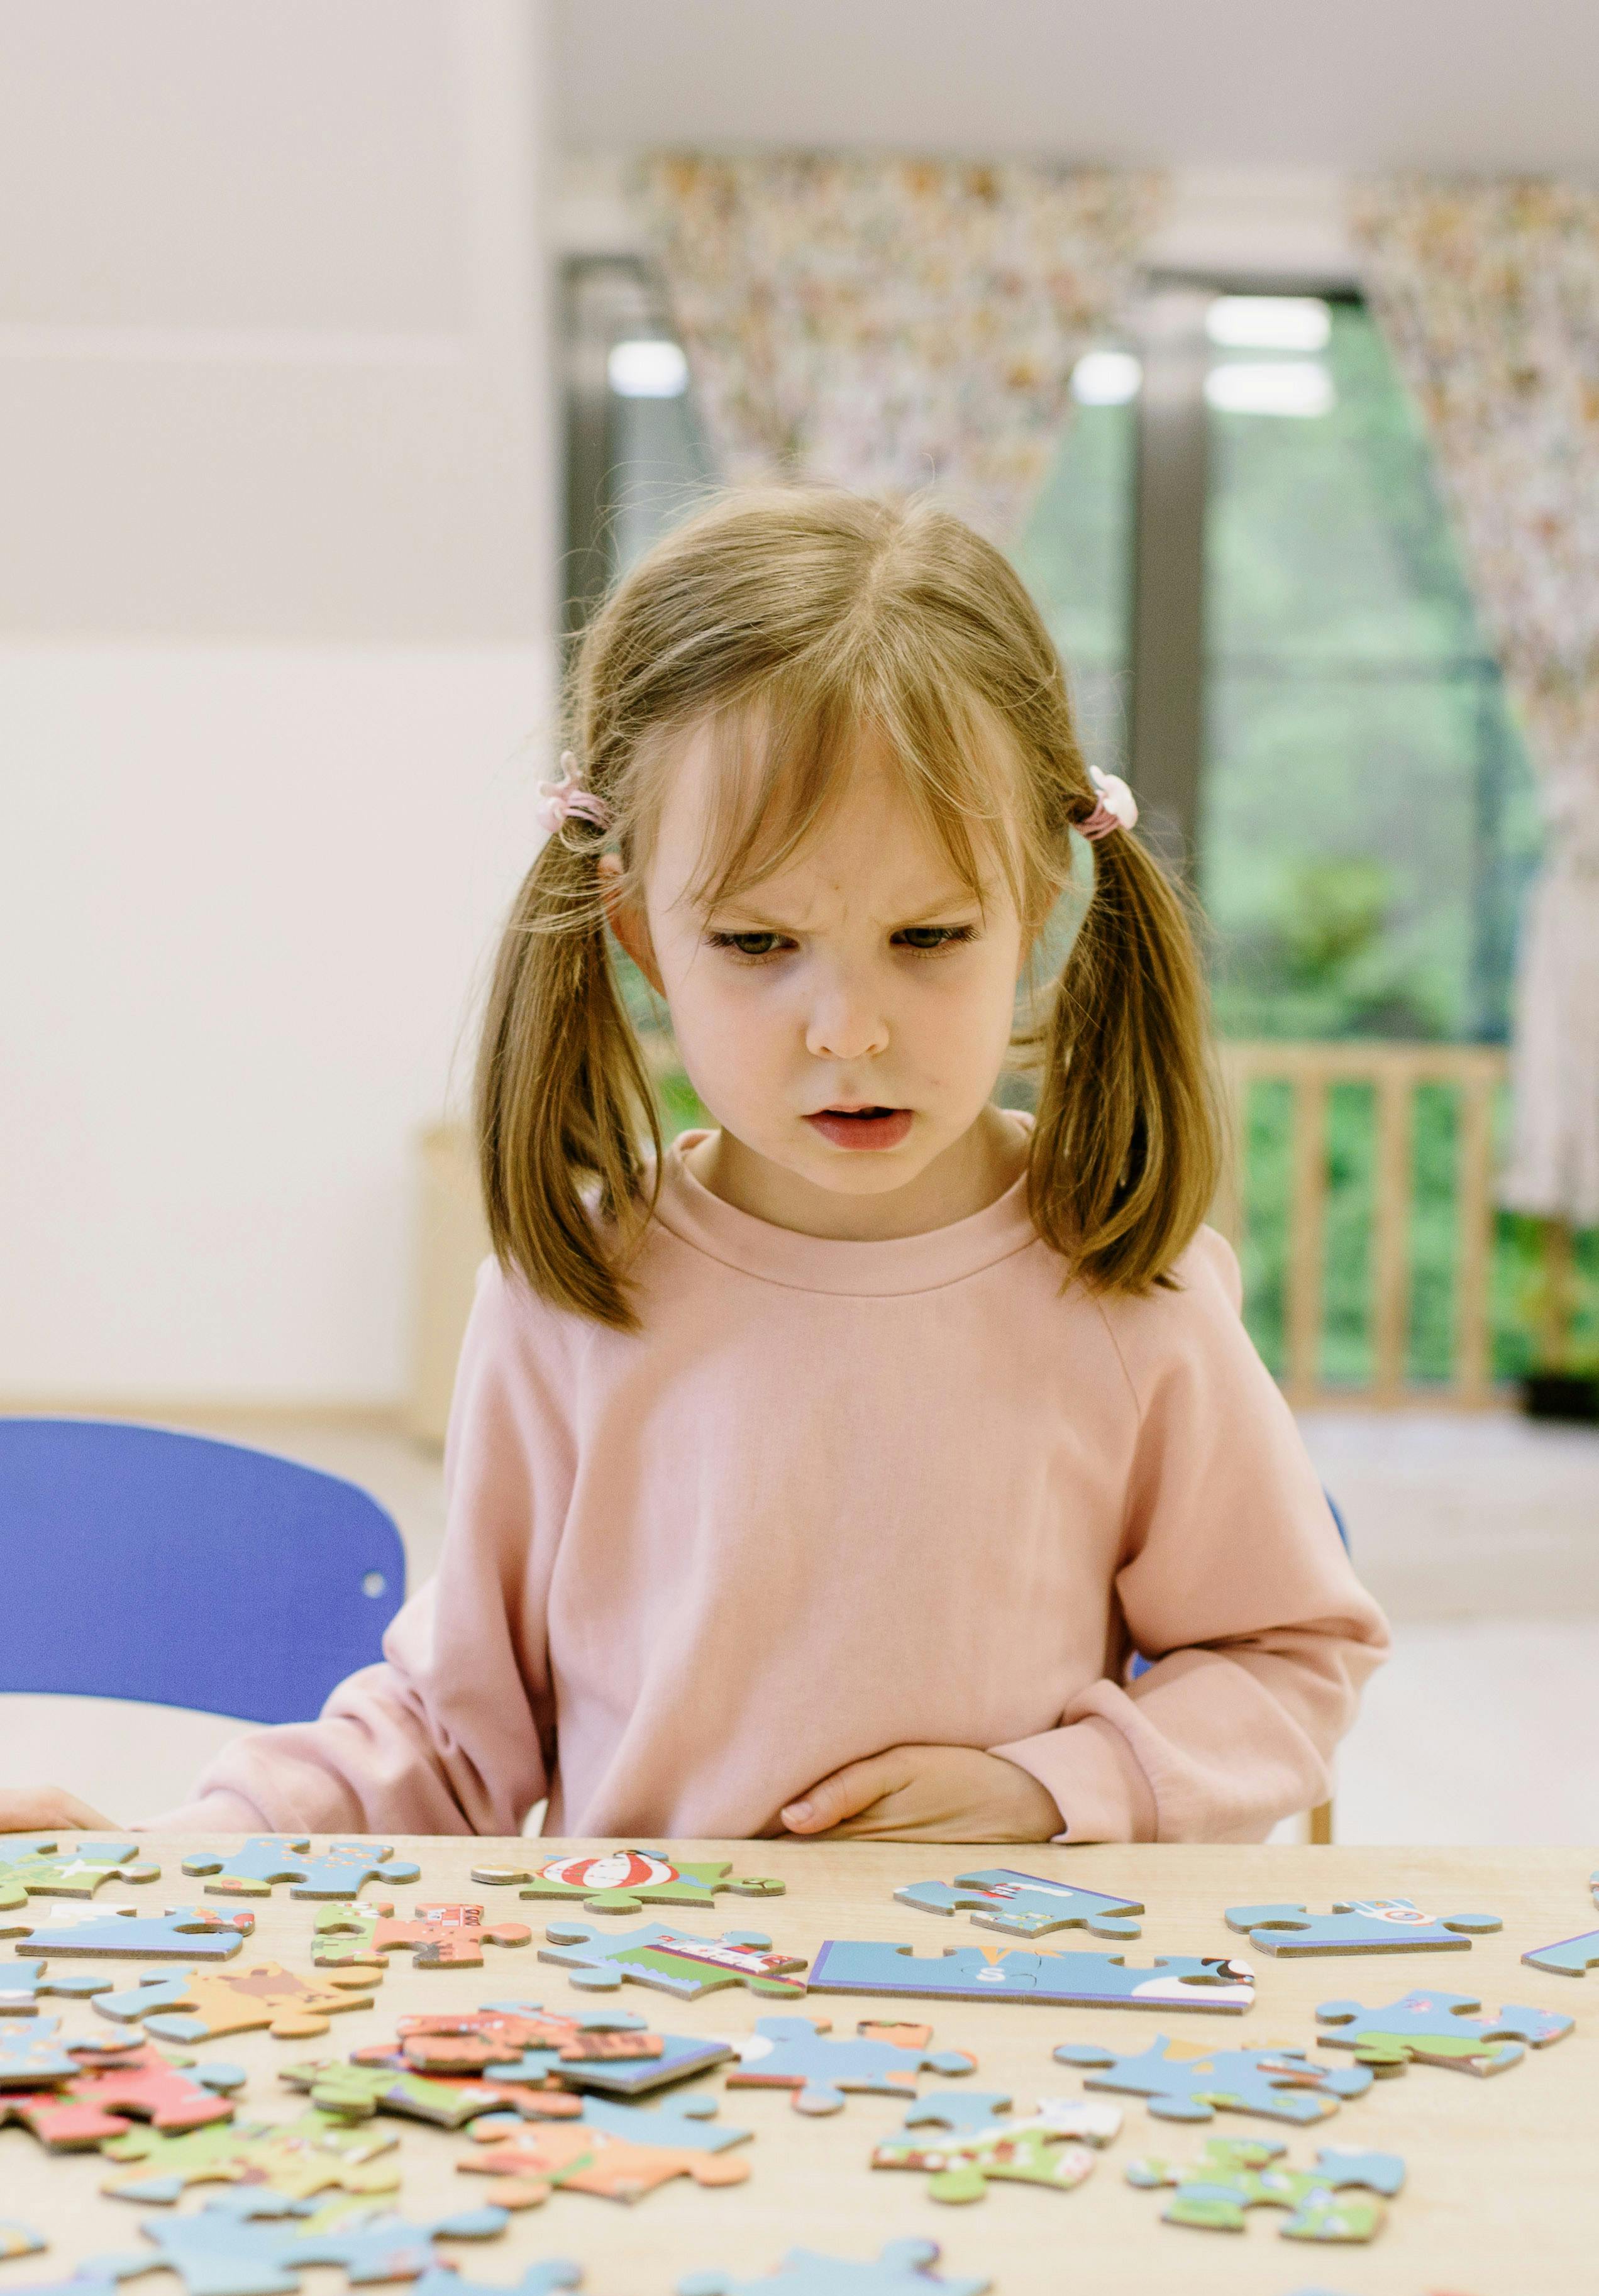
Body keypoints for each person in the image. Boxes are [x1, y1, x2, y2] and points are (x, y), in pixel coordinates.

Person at [4, 485, 1387, 1848]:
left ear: (1033, 904)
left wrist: (1054, 1789)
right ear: (638, 927)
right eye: (755, 944)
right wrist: (164, 1860)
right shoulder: (572, 1296)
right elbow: (450, 1737)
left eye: (928, 937)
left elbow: (1285, 1661)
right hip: (639, 2048)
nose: (849, 1029)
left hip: (1002, 2033)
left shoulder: (1126, 1293)